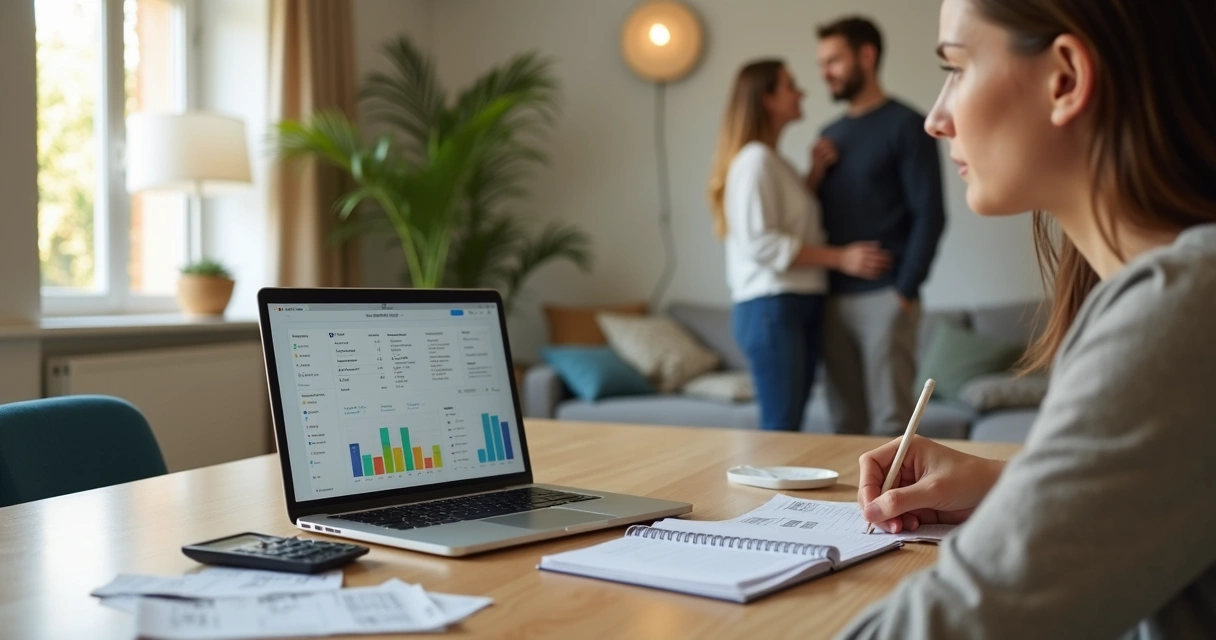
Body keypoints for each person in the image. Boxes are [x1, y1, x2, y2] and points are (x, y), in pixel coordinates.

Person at [841, 0, 1216, 637]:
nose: (936, 119)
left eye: (955, 68)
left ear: (1065, 78)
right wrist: (1005, 483)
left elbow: (960, 624)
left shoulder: (1185, 310)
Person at [708, 60, 891, 432]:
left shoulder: (776, 164)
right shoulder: (754, 161)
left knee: (788, 425)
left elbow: (788, 223)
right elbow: (761, 243)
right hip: (772, 307)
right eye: (790, 85)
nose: (802, 92)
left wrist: (812, 177)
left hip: (794, 304)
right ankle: (763, 494)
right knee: (781, 426)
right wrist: (841, 258)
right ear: (767, 100)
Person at [812, 17, 948, 437]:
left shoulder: (908, 125)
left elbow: (931, 213)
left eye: (834, 60)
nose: (825, 72)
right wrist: (813, 175)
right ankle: (845, 508)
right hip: (831, 299)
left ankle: (892, 506)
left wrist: (904, 291)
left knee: (892, 423)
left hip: (886, 299)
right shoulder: (828, 136)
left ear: (866, 56)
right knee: (842, 423)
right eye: (822, 63)